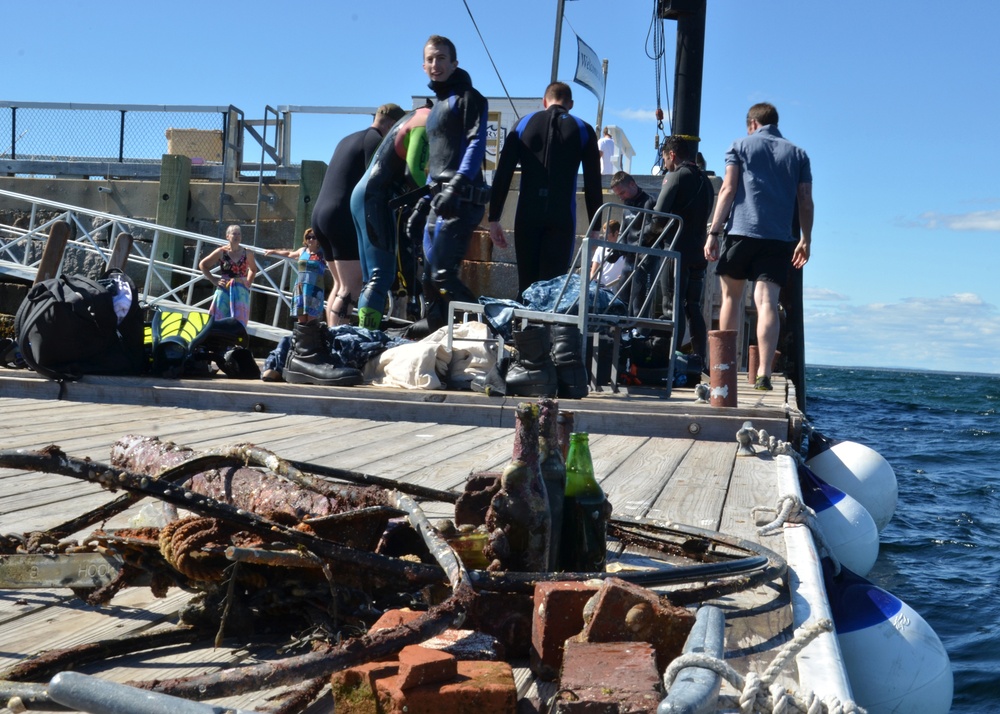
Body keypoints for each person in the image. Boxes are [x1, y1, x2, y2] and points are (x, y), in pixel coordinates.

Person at [705, 102, 813, 391]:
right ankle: (763, 372)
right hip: (778, 239)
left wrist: (714, 232)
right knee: (766, 303)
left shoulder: (739, 145)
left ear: (752, 124)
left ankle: (724, 368)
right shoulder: (799, 154)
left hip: (740, 233)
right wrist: (806, 238)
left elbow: (727, 189)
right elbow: (805, 200)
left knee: (731, 299)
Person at [488, 81, 603, 296]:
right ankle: (544, 328)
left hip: (527, 215)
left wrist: (494, 217)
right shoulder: (583, 129)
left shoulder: (523, 125)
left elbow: (503, 173)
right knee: (552, 290)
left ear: (544, 101)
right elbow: (592, 182)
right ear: (571, 104)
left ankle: (523, 328)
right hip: (561, 217)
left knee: (527, 286)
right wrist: (596, 225)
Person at [409, 34, 490, 336]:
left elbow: (476, 144)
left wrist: (456, 185)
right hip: (438, 199)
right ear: (423, 65)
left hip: (462, 199)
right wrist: (422, 202)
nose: (435, 64)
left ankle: (491, 333)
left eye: (441, 58)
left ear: (454, 63)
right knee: (428, 277)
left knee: (442, 275)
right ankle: (438, 336)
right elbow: (437, 161)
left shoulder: (469, 97)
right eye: (430, 59)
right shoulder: (435, 108)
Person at [311, 102, 406, 325]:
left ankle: (332, 339)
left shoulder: (348, 138)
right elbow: (376, 182)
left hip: (321, 214)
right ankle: (340, 344)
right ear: (392, 125)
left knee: (339, 285)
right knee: (350, 288)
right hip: (341, 216)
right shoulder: (375, 141)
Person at [353, 104, 432, 330]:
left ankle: (363, 332)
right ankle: (366, 338)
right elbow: (413, 172)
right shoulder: (424, 121)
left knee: (371, 279)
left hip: (365, 196)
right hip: (376, 199)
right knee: (381, 276)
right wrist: (431, 201)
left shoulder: (411, 119)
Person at [650, 135, 715, 367]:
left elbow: (658, 216)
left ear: (672, 155)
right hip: (698, 251)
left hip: (676, 251)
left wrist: (648, 234)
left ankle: (670, 360)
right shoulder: (705, 181)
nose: (665, 163)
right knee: (693, 307)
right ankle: (700, 359)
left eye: (665, 157)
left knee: (672, 305)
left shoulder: (675, 176)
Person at [608, 170, 656, 317]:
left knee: (639, 304)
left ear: (632, 184)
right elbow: (623, 231)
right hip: (629, 260)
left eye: (622, 193)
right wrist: (616, 251)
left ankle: (640, 335)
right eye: (618, 195)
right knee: (621, 299)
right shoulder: (627, 205)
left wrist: (637, 244)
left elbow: (653, 230)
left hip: (645, 260)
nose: (621, 198)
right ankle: (621, 334)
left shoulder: (650, 202)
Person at [265, 228, 327, 325]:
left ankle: (311, 339)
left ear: (318, 239)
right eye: (308, 237)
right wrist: (273, 251)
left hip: (315, 289)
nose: (311, 239)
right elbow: (289, 254)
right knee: (301, 319)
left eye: (314, 237)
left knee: (312, 319)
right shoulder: (302, 251)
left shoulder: (323, 253)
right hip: (301, 287)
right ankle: (301, 338)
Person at [200, 224, 258, 327]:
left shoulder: (247, 252)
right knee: (217, 319)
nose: (237, 236)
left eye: (239, 234)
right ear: (227, 236)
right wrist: (214, 280)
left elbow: (253, 269)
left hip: (241, 291)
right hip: (224, 289)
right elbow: (203, 265)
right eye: (234, 234)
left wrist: (248, 282)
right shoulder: (221, 252)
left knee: (239, 322)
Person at [589, 219, 624, 288]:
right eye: (604, 233)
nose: (604, 236)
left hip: (618, 291)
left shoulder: (625, 250)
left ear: (616, 233)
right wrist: (595, 286)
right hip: (602, 290)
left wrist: (624, 276)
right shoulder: (600, 249)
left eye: (607, 233)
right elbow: (593, 272)